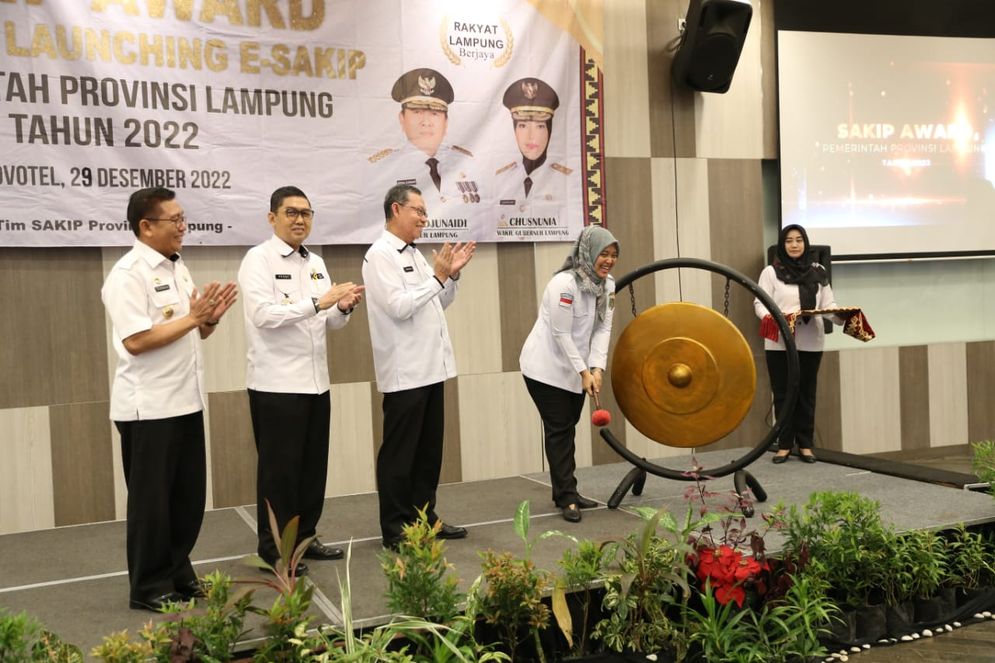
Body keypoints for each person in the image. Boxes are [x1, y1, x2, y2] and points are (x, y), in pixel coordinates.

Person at [101, 187, 237, 611]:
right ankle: (148, 586)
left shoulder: (177, 268)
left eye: (183, 219)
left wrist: (208, 320)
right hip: (149, 408)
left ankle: (178, 572)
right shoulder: (127, 274)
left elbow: (193, 330)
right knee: (152, 503)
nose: (183, 227)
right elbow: (137, 340)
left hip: (186, 400)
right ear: (146, 226)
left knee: (187, 498)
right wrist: (193, 318)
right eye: (173, 220)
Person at [238, 186, 364, 575]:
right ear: (272, 217)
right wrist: (318, 302)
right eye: (291, 212)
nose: (299, 220)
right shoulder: (257, 260)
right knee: (280, 473)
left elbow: (327, 321)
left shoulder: (316, 262)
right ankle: (274, 551)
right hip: (276, 385)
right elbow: (264, 315)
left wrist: (341, 308)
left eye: (306, 213)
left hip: (316, 382)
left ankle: (306, 539)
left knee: (312, 468)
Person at [362, 183, 476, 549]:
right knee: (400, 453)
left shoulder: (413, 255)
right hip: (404, 371)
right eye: (419, 212)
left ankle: (425, 518)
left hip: (431, 367)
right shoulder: (380, 255)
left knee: (428, 452)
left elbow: (435, 302)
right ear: (396, 210)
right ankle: (394, 527)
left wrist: (451, 276)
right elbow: (399, 306)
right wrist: (438, 277)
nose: (424, 219)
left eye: (426, 213)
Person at [520, 224, 619, 522]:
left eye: (614, 255)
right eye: (604, 253)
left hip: (578, 369)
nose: (609, 260)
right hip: (545, 369)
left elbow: (603, 327)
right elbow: (561, 333)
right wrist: (582, 371)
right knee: (560, 428)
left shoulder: (608, 285)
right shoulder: (564, 284)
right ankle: (567, 497)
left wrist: (597, 367)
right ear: (588, 252)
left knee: (568, 425)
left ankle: (566, 490)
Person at [754, 224, 842, 465]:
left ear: (806, 244)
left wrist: (841, 317)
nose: (794, 245)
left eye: (799, 240)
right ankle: (783, 445)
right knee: (783, 393)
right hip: (780, 342)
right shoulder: (771, 272)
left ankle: (805, 445)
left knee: (806, 393)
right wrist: (774, 319)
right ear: (782, 245)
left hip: (810, 340)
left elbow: (828, 305)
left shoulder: (818, 271)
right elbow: (759, 304)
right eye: (789, 241)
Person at [366, 68, 482, 227]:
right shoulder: (382, 167)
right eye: (417, 111)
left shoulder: (466, 162)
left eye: (435, 113)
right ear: (402, 119)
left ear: (446, 122)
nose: (426, 122)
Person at [495, 77, 574, 217]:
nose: (530, 136)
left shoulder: (567, 180)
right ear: (514, 130)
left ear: (549, 130)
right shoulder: (500, 178)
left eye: (540, 126)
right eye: (523, 125)